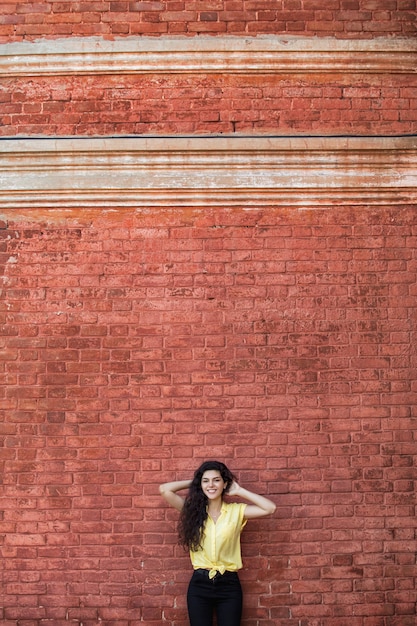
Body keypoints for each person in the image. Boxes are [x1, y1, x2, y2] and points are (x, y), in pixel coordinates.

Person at [159, 460, 276, 626]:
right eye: (206, 481)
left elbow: (269, 508)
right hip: (200, 584)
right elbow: (164, 489)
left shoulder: (236, 511)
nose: (211, 485)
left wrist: (240, 491)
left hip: (229, 585)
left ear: (224, 484)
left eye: (216, 480)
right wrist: (195, 481)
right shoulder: (193, 511)